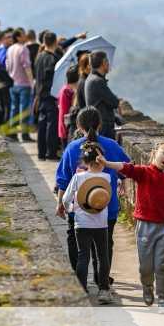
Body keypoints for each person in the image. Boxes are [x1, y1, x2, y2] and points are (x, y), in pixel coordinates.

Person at [97, 143, 164, 312]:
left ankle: (163, 297)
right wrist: (106, 163)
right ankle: (147, 286)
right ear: (154, 153)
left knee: (162, 265)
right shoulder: (143, 172)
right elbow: (126, 168)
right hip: (145, 226)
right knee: (146, 266)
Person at [56, 107, 130, 283]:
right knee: (104, 246)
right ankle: (101, 279)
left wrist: (60, 204)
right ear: (100, 124)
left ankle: (78, 280)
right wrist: (123, 182)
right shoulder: (111, 145)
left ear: (78, 126)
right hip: (107, 207)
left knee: (77, 246)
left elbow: (63, 181)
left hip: (79, 209)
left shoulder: (72, 148)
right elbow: (127, 168)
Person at [61, 140, 113, 304]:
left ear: (85, 162)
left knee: (83, 256)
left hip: (81, 224)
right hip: (101, 224)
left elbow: (65, 198)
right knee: (102, 256)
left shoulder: (78, 177)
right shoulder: (107, 178)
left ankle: (82, 289)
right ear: (101, 161)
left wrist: (70, 209)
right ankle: (103, 290)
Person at [34, 31, 61, 160]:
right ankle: (50, 153)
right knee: (51, 125)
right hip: (50, 95)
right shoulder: (52, 59)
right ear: (55, 42)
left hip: (40, 95)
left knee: (42, 125)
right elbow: (50, 78)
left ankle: (41, 152)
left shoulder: (38, 57)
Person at [6, 27, 35, 142]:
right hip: (24, 84)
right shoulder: (23, 49)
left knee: (14, 109)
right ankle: (24, 134)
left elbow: (7, 65)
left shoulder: (10, 49)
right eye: (23, 35)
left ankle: (12, 134)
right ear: (18, 36)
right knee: (24, 111)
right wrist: (31, 81)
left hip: (14, 83)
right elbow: (27, 66)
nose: (25, 36)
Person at [85, 51, 120, 140]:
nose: (109, 64)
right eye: (107, 62)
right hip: (103, 126)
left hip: (98, 124)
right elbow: (114, 102)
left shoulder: (91, 78)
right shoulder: (97, 81)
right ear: (104, 63)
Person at [58, 64, 80, 149]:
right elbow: (64, 112)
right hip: (66, 129)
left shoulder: (66, 89)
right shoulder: (67, 91)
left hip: (65, 128)